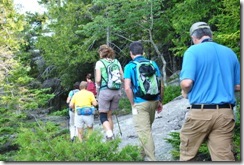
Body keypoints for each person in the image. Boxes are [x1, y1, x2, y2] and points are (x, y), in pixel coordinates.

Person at [179, 22, 240, 161]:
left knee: (187, 155)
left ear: (194, 38)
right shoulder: (229, 52)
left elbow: (187, 82)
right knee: (223, 157)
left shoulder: (192, 51)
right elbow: (238, 86)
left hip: (200, 113)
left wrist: (184, 90)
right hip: (225, 114)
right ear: (210, 35)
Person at [124, 41, 163, 161]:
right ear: (143, 52)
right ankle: (141, 155)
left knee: (144, 131)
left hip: (140, 102)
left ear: (131, 53)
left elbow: (127, 88)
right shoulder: (153, 63)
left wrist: (132, 103)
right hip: (154, 100)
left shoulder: (129, 66)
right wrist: (160, 101)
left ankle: (152, 160)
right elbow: (161, 84)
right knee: (146, 129)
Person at [95, 44, 123, 140]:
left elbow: (98, 79)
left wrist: (97, 88)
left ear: (101, 53)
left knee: (103, 115)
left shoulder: (99, 63)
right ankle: (111, 137)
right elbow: (122, 77)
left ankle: (109, 134)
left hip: (105, 91)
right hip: (116, 91)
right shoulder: (116, 62)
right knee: (109, 115)